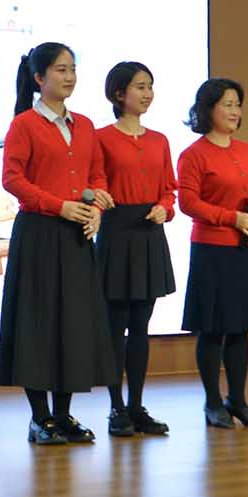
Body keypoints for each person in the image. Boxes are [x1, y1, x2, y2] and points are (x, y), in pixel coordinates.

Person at [0, 42, 119, 444]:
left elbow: (98, 175)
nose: (69, 77)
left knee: (73, 324)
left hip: (77, 235)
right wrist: (59, 206)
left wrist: (96, 208)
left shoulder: (84, 125)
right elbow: (12, 179)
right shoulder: (24, 125)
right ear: (39, 78)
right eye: (61, 69)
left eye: (72, 69)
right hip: (39, 235)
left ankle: (63, 415)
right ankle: (40, 418)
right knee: (38, 324)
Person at [176, 77, 248, 430]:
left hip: (244, 250)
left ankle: (238, 400)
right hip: (211, 250)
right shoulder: (193, 154)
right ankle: (213, 402)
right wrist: (230, 218)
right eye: (227, 105)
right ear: (208, 109)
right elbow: (188, 203)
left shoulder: (246, 150)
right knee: (212, 329)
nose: (234, 111)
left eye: (237, 105)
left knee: (240, 329)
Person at [95, 61, 177, 438]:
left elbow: (169, 189)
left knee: (142, 326)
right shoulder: (101, 137)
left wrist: (165, 207)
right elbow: (95, 181)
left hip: (149, 233)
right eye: (140, 87)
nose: (147, 93)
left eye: (150, 86)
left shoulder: (160, 140)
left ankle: (136, 405)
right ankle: (116, 407)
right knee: (116, 326)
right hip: (116, 231)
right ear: (119, 94)